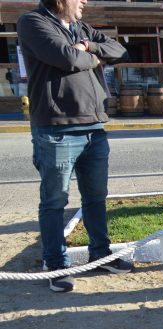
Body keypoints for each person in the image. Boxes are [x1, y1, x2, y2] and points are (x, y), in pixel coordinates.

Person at [18, 0, 131, 293]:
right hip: (57, 128)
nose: (84, 2)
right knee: (55, 200)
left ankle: (100, 254)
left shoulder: (81, 27)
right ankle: (55, 263)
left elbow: (118, 50)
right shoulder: (33, 22)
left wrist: (89, 48)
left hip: (94, 126)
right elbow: (67, 59)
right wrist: (88, 54)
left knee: (95, 197)